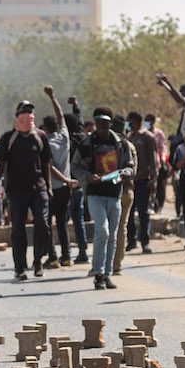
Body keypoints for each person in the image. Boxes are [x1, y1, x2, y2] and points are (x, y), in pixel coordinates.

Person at [0, 94, 57, 280]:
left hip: (39, 188)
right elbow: (1, 163)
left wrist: (49, 187)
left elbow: (46, 164)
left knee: (43, 224)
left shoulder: (41, 137)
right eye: (25, 112)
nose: (29, 115)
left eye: (31, 112)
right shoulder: (9, 138)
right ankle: (19, 267)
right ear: (18, 116)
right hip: (16, 190)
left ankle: (38, 261)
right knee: (18, 229)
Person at [73, 107, 135, 290]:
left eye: (105, 122)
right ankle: (97, 272)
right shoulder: (86, 144)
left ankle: (107, 275)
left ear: (110, 123)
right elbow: (76, 167)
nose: (101, 125)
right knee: (103, 231)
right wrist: (87, 177)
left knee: (113, 236)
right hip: (95, 194)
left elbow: (130, 167)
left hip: (115, 194)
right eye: (98, 121)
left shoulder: (121, 144)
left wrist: (124, 173)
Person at [42, 88, 79, 268]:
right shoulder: (65, 137)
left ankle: (53, 257)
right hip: (66, 189)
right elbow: (60, 115)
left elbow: (50, 167)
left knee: (47, 223)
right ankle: (66, 257)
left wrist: (64, 180)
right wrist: (52, 96)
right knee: (62, 223)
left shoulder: (44, 143)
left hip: (51, 188)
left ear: (45, 128)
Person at [125, 111, 158, 254]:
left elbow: (153, 159)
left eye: (131, 122)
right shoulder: (130, 137)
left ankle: (145, 242)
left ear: (138, 121)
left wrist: (153, 179)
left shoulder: (147, 137)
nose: (129, 124)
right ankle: (131, 240)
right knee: (129, 212)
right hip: (130, 181)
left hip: (143, 180)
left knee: (143, 213)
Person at [112, 115, 138, 275]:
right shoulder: (130, 145)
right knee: (121, 227)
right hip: (127, 190)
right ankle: (117, 266)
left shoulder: (110, 145)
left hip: (113, 191)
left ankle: (104, 265)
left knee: (108, 228)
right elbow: (133, 171)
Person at [65, 99, 90, 264]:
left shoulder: (65, 140)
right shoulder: (83, 137)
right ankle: (83, 252)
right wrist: (76, 106)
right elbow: (79, 121)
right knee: (78, 220)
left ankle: (65, 253)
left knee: (62, 220)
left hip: (66, 183)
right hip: (80, 183)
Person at [146, 113, 169, 213]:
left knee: (158, 185)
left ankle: (157, 206)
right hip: (144, 165)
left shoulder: (159, 133)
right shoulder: (142, 133)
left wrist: (163, 159)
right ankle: (148, 205)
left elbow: (163, 147)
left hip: (157, 164)